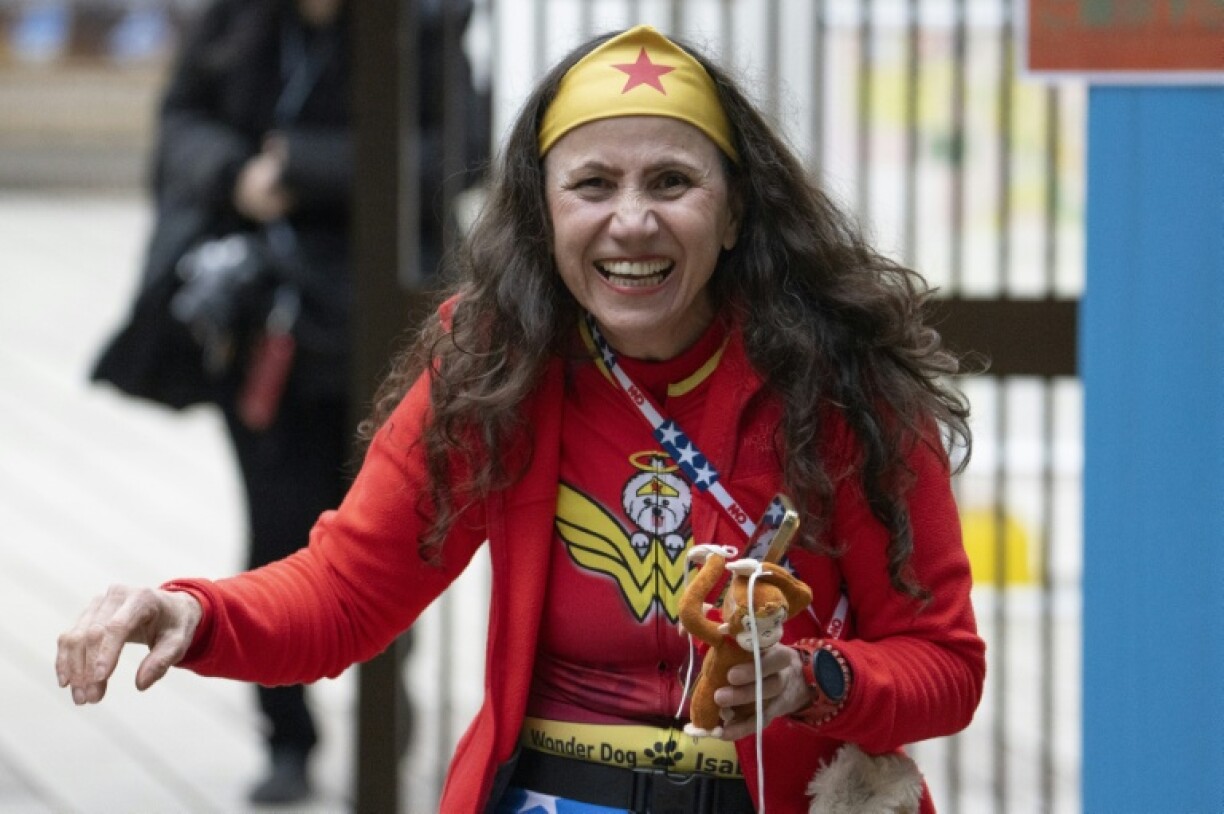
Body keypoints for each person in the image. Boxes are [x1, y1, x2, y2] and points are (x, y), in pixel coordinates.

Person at [60, 24, 985, 814]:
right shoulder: (496, 358)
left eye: (671, 182)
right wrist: (190, 611)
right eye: (592, 186)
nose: (631, 223)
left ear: (737, 209)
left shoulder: (842, 380)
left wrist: (816, 680)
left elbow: (944, 666)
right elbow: (347, 592)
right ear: (543, 212)